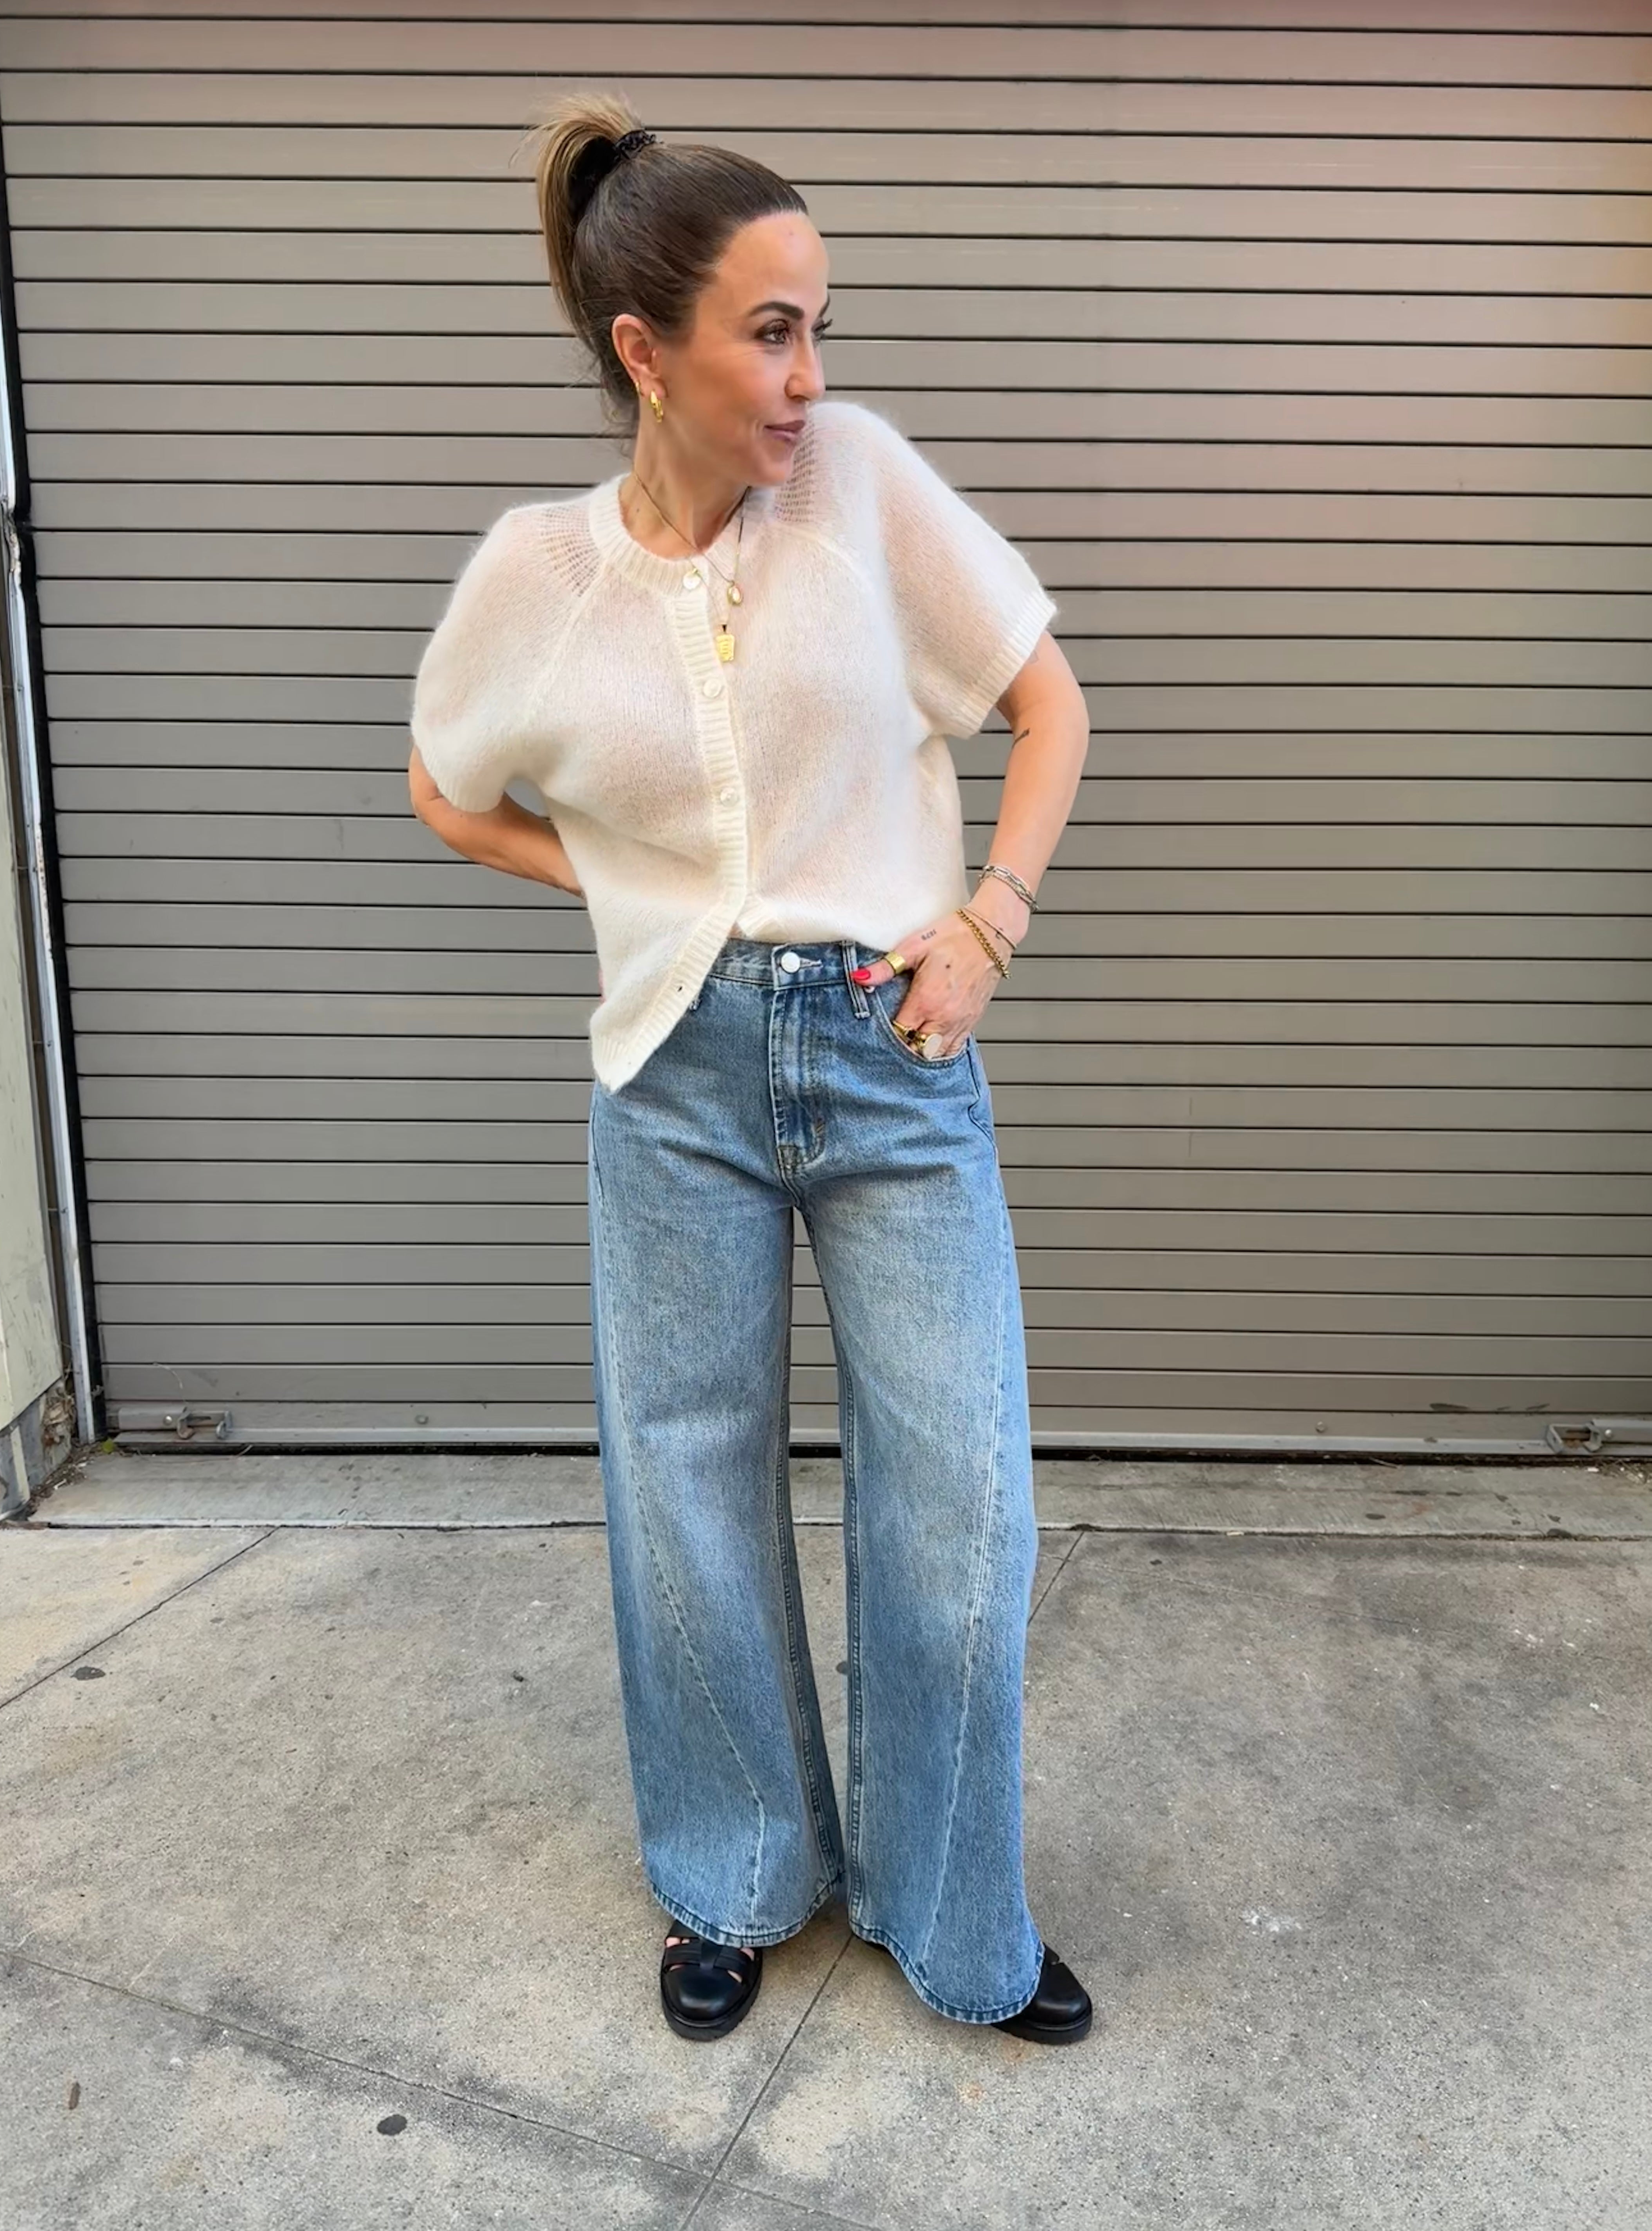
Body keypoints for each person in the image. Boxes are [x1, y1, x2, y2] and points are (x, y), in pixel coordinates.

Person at [407, 93, 1094, 2047]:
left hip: (892, 1053)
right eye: (771, 333)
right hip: (672, 1076)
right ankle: (735, 1875)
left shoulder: (861, 484)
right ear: (648, 351)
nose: (809, 377)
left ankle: (951, 1914)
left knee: (960, 1511)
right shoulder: (537, 573)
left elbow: (1047, 704)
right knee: (685, 1496)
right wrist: (637, 893)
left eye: (819, 330)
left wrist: (987, 924)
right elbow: (445, 789)